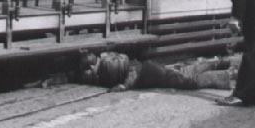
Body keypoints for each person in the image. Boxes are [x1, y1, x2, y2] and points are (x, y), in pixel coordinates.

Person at [78, 51, 237, 92]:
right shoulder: (105, 60)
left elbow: (133, 70)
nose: (86, 76)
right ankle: (218, 63)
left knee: (189, 82)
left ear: (92, 67)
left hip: (149, 74)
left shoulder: (107, 68)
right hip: (149, 69)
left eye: (86, 72)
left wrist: (124, 86)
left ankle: (226, 75)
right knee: (183, 71)